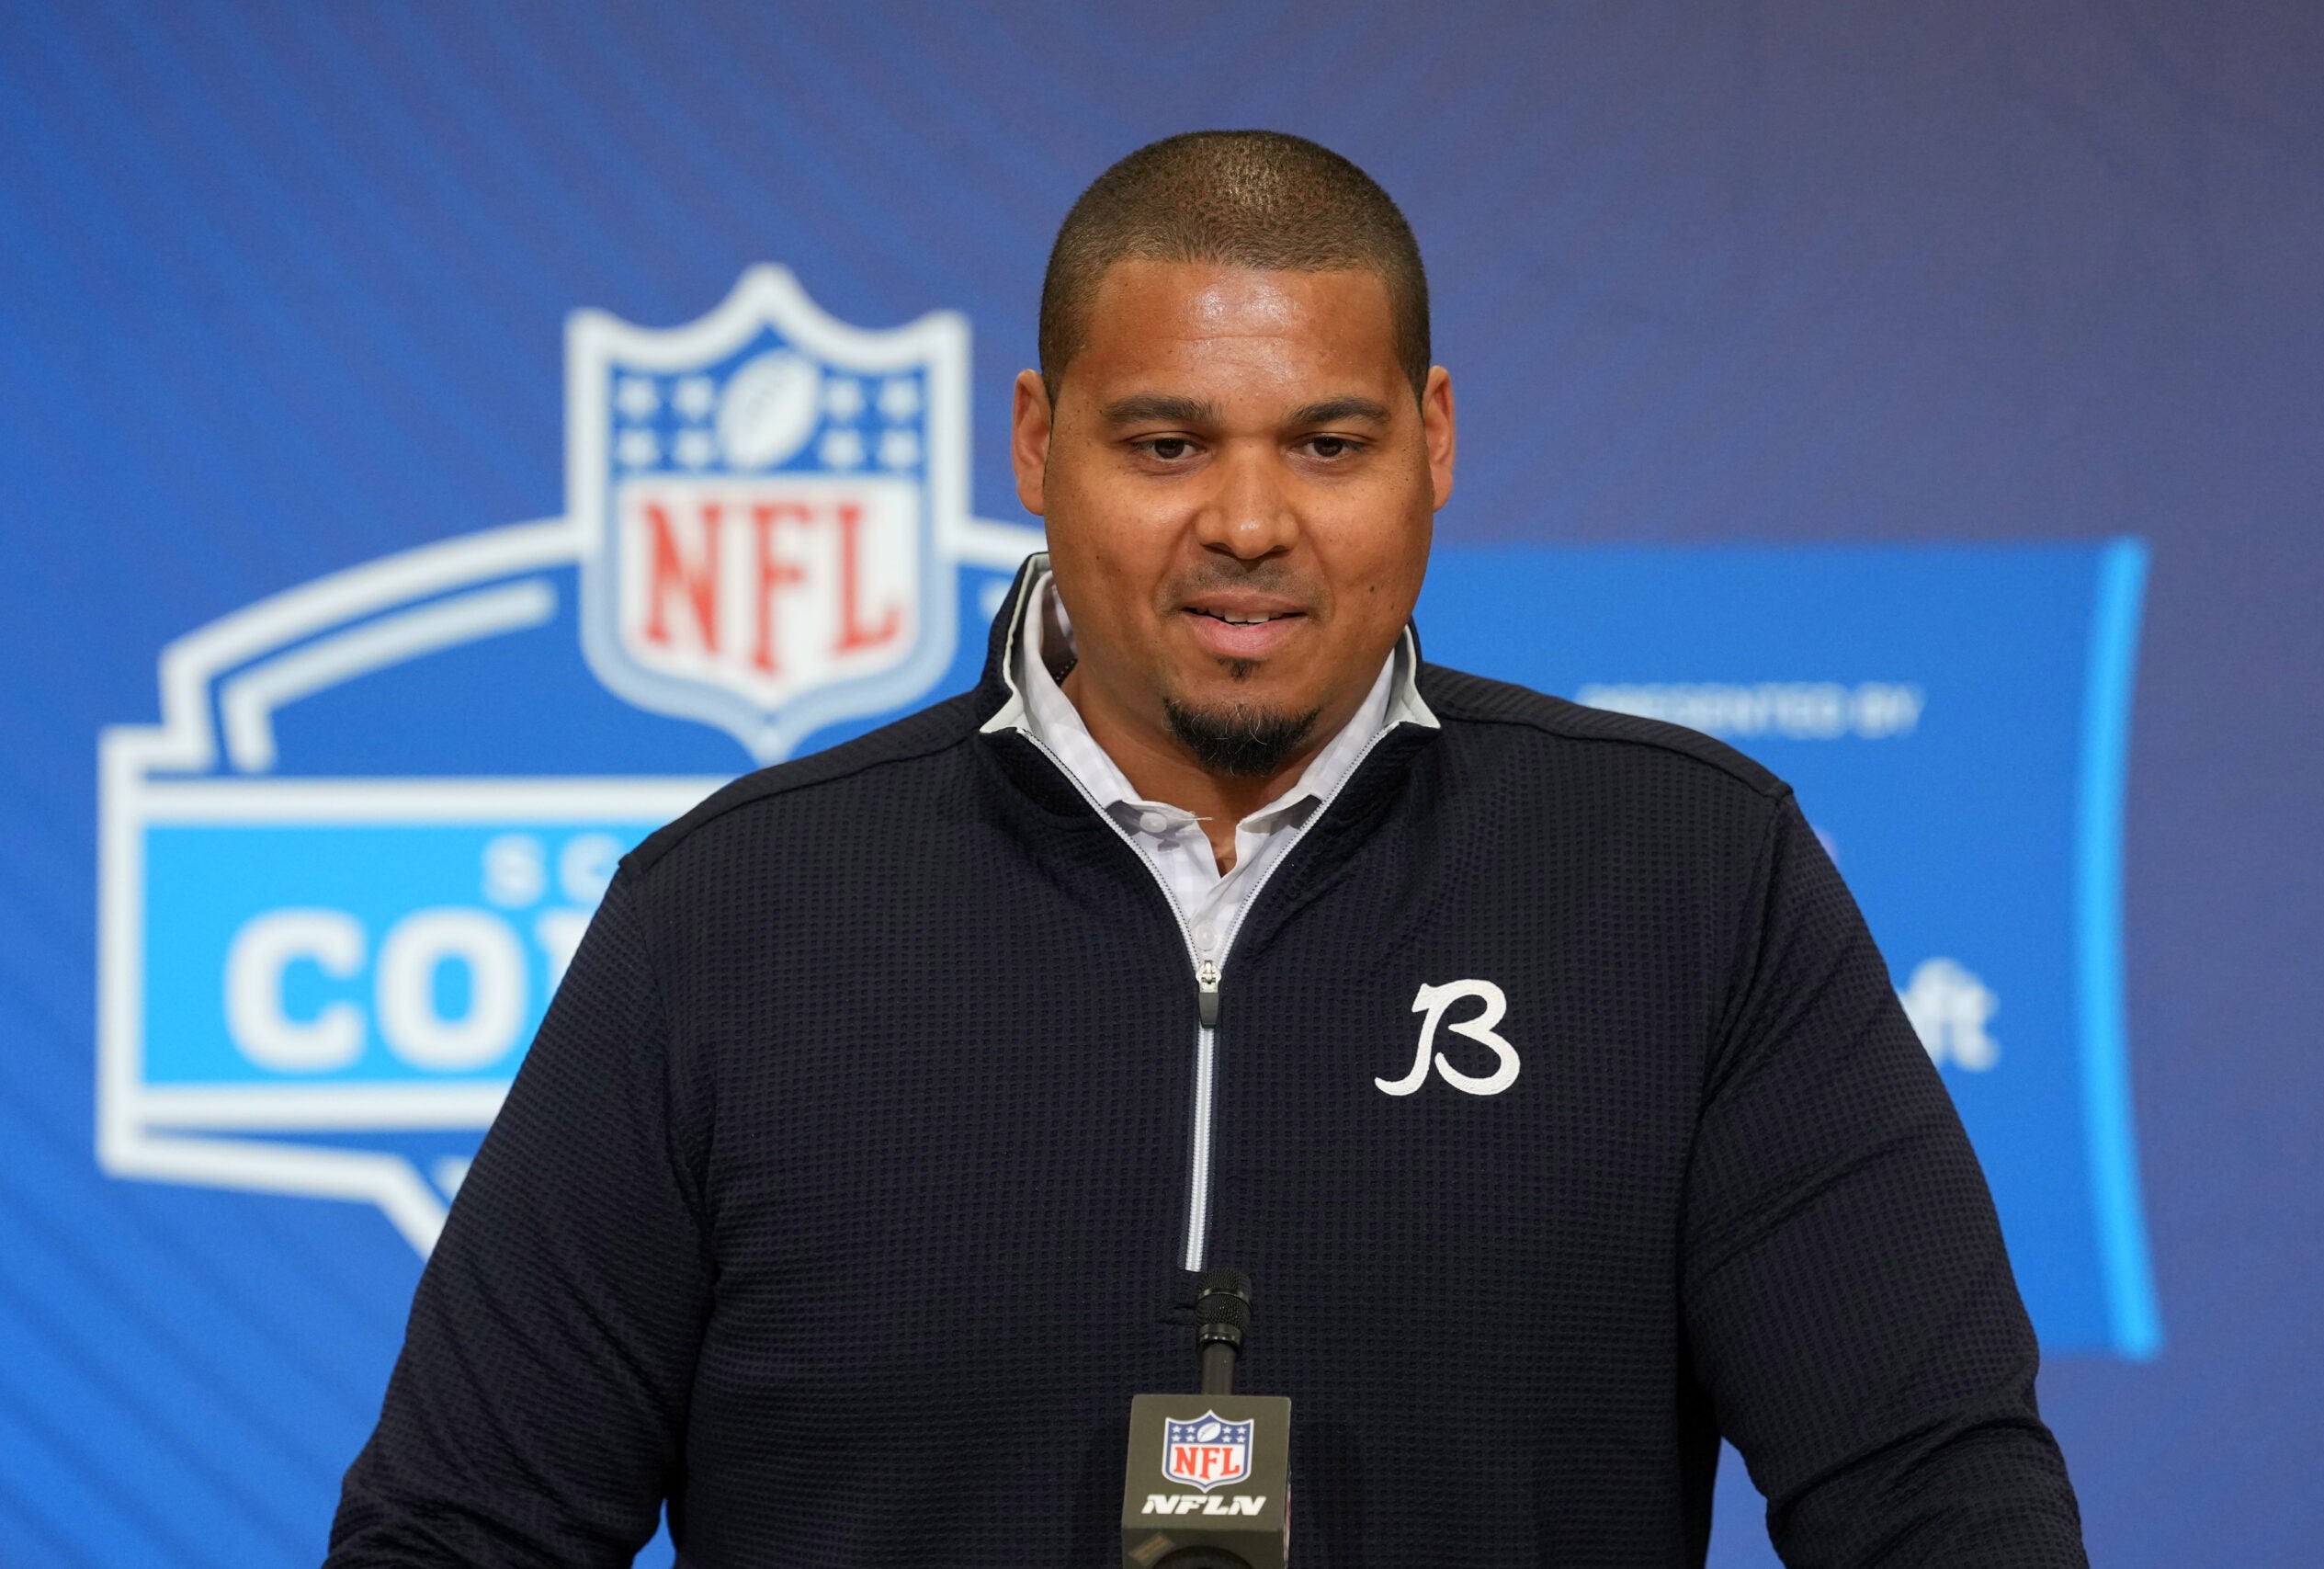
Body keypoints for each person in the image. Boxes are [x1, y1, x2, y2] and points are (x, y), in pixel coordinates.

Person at [327, 131, 2087, 1567]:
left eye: (1329, 445)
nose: (1248, 524)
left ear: (1438, 443)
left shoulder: (1693, 880)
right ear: (1037, 444)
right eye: (1166, 444)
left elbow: (1939, 1501)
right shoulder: (733, 912)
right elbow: (461, 1530)